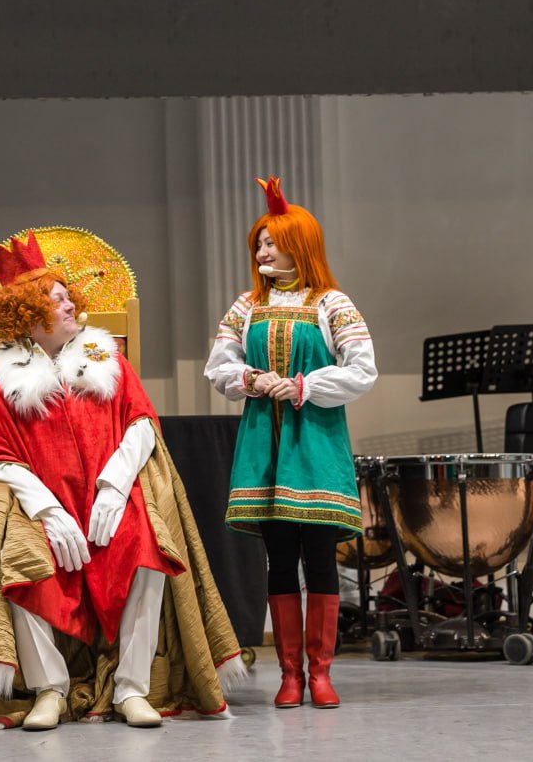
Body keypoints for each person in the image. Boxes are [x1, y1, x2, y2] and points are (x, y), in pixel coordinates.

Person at [0, 230, 245, 730]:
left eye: (68, 296)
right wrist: (49, 512)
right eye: (57, 299)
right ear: (28, 314)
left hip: (108, 496)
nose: (71, 304)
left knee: (146, 543)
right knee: (21, 557)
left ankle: (132, 687)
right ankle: (49, 688)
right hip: (42, 504)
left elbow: (141, 425)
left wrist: (114, 487)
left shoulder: (106, 363)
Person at [204, 176, 377, 710]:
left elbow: (363, 369)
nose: (263, 251)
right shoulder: (245, 306)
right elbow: (219, 366)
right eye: (259, 242)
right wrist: (253, 379)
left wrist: (304, 386)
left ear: (300, 246)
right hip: (266, 442)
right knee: (279, 558)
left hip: (316, 440)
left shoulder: (332, 303)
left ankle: (320, 673)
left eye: (272, 242)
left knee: (320, 557)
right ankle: (289, 675)